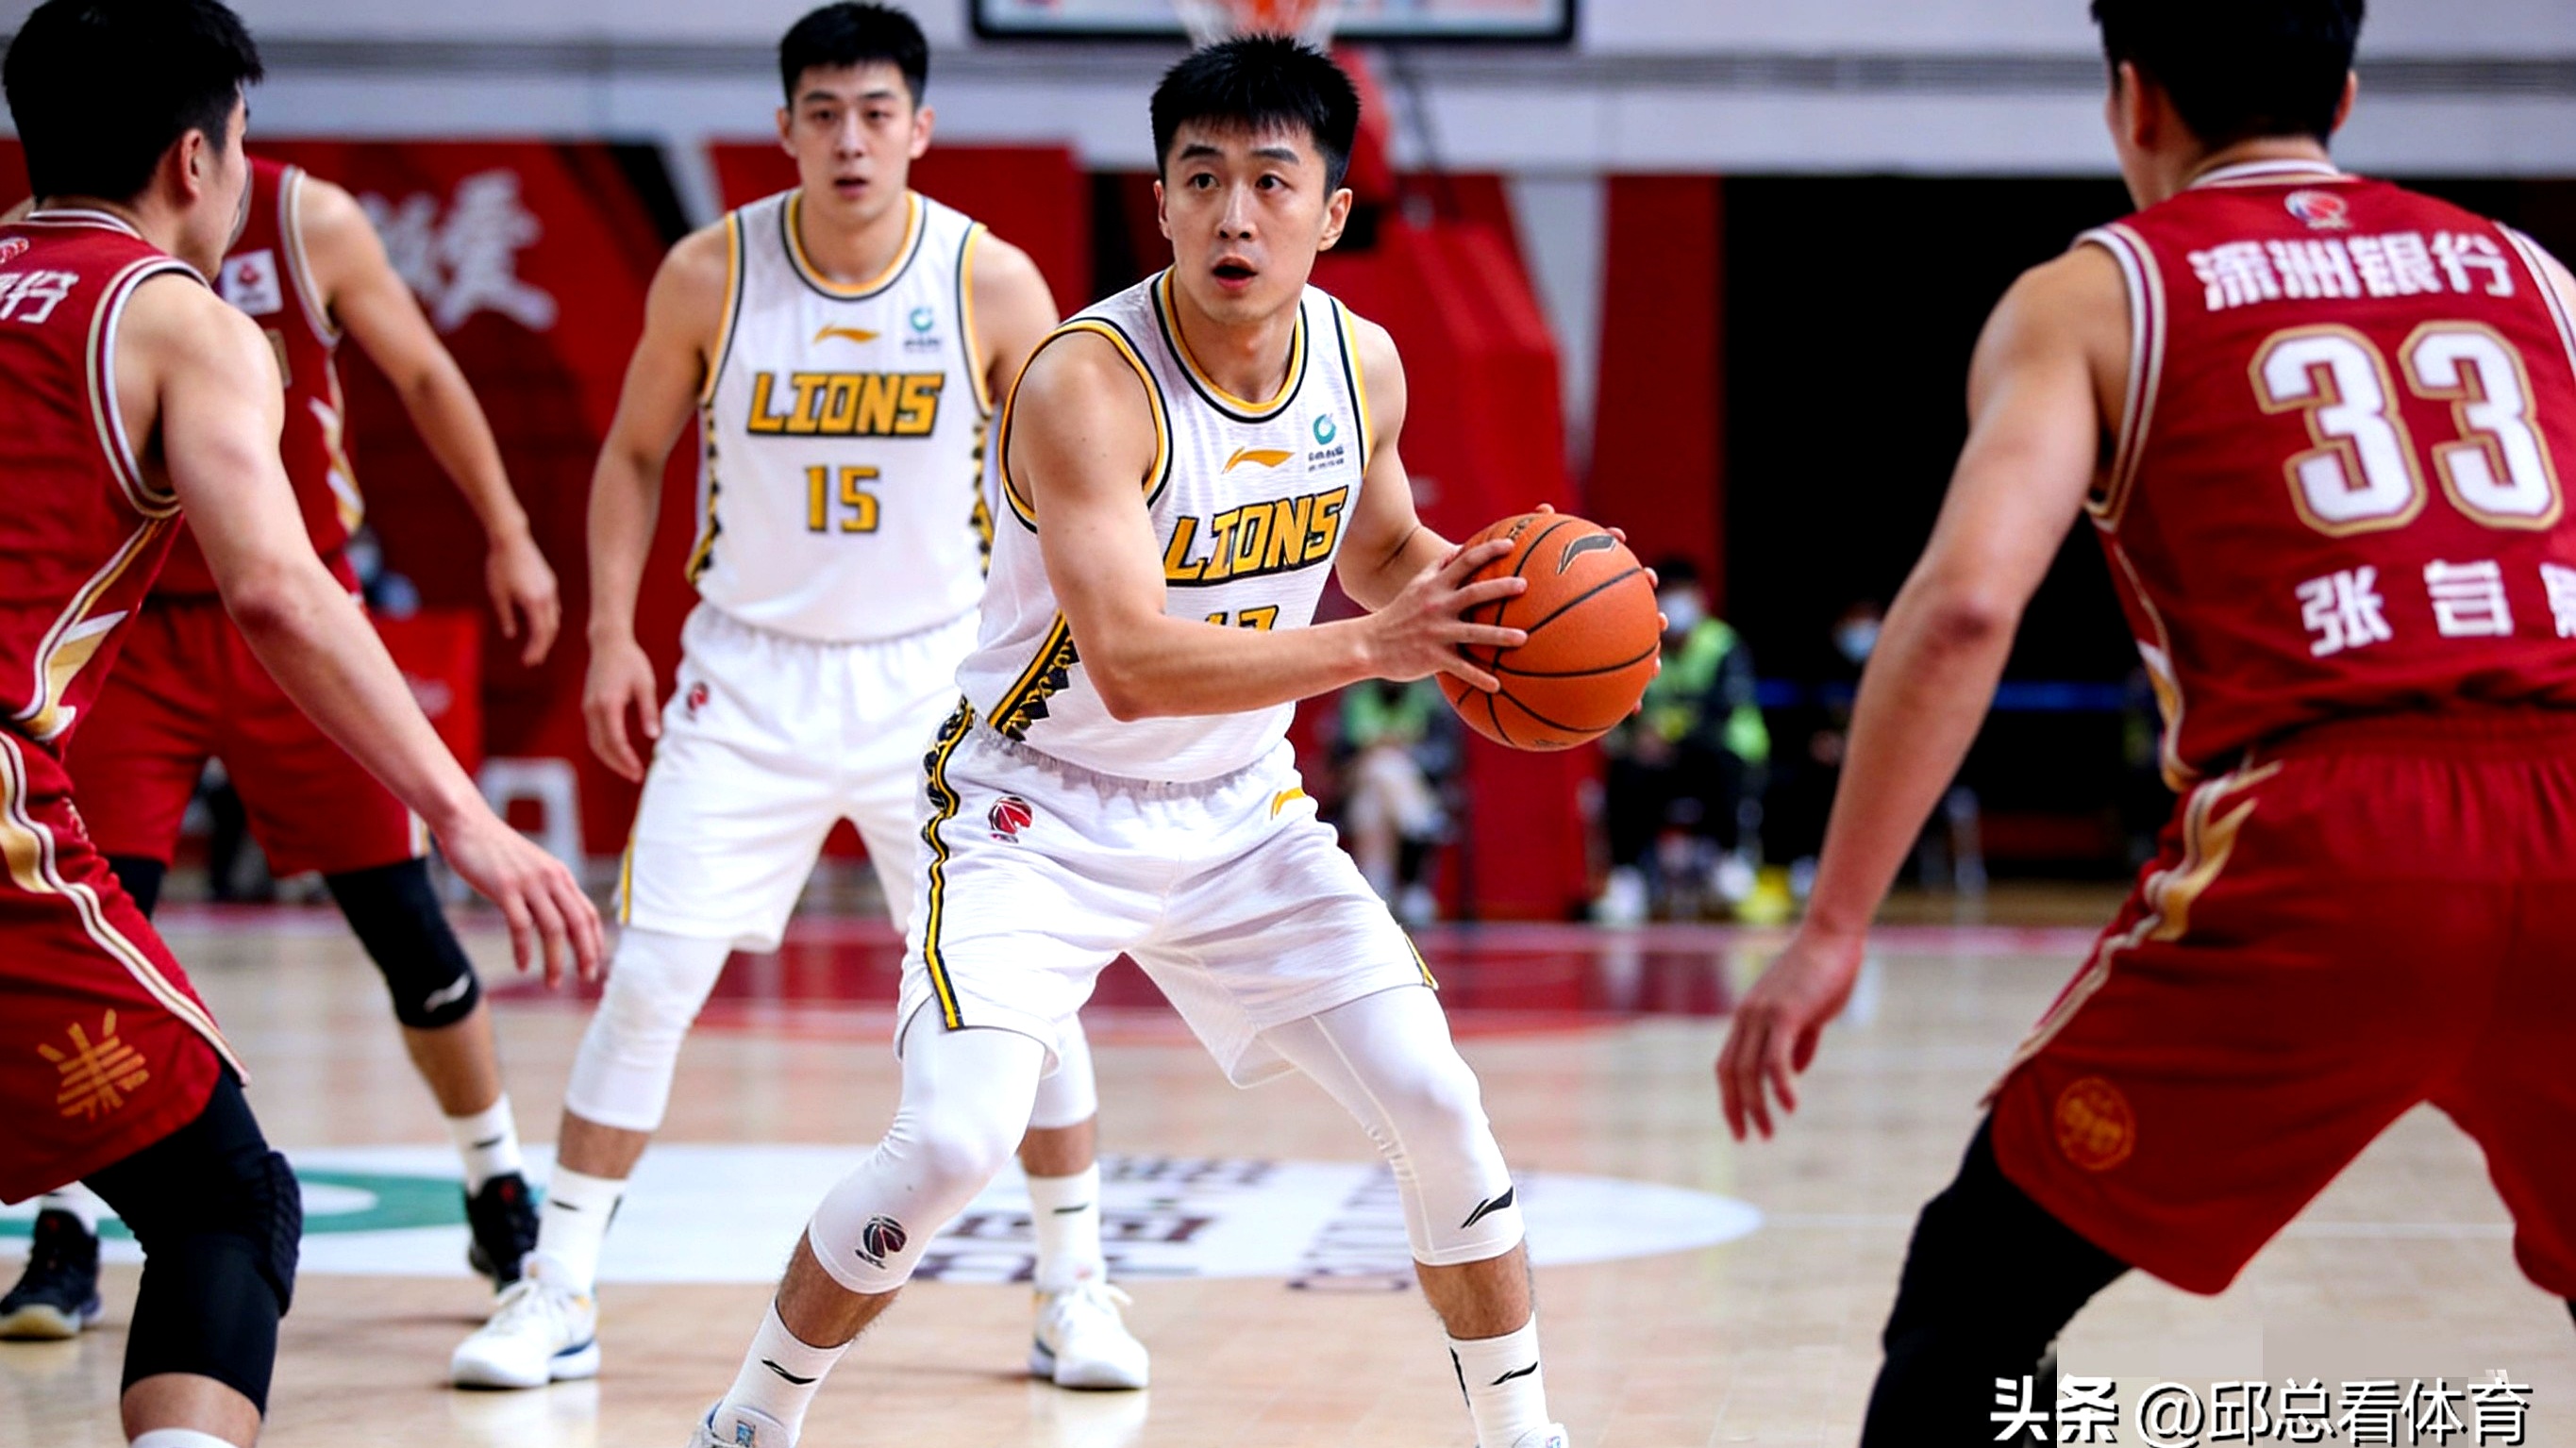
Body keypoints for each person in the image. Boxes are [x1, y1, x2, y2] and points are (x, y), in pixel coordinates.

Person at [684, 37, 1568, 1448]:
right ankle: (749, 1417)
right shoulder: (1085, 382)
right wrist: (1375, 647)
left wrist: (1506, 600)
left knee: (1437, 1101)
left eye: (1270, 182)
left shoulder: (1362, 364)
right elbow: (1136, 662)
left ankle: (1524, 1435)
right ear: (1158, 202)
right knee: (951, 1142)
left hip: (1238, 812)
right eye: (1200, 179)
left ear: (1332, 212)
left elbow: (1383, 548)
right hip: (1034, 808)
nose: (1233, 215)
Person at [1714, 1, 2576, 1440]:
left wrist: (1834, 921)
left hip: (2332, 831)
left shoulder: (2095, 292)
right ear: (2344, 95)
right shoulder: (2531, 274)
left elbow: (1965, 604)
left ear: (2133, 100)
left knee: (1980, 1292)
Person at [447, 2, 1147, 1393]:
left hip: (932, 681)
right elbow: (631, 454)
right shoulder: (711, 270)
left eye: (876, 113)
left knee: (1020, 991)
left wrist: (1069, 657)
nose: (850, 139)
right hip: (748, 673)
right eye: (823, 113)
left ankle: (1076, 1286)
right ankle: (557, 1284)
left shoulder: (988, 280)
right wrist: (611, 633)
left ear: (919, 128)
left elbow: (1076, 476)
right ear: (783, 129)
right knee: (650, 975)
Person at [0, 5, 601, 1444]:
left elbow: (414, 384)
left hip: (179, 667)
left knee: (391, 935)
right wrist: (464, 810)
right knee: (228, 1198)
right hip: (126, 689)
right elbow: (280, 588)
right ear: (196, 156)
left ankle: (493, 1182)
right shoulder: (175, 315)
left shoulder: (275, 233)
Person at [1594, 558, 1768, 924]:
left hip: (1712, 756)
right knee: (1625, 770)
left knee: (1721, 761)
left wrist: (1672, 740)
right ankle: (1627, 876)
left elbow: (1721, 712)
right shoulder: (1638, 645)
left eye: (1682, 593)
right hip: (1659, 763)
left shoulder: (1722, 645)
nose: (1675, 603)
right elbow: (1623, 711)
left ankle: (1729, 860)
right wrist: (1636, 738)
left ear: (1700, 598)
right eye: (1667, 593)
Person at [1334, 675, 1459, 926]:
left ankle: (1376, 889)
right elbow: (1338, 758)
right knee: (1380, 766)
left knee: (1375, 794)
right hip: (1360, 778)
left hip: (1410, 782)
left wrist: (1405, 752)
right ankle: (1417, 831)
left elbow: (1444, 758)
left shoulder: (1426, 698)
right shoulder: (1358, 699)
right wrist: (1376, 750)